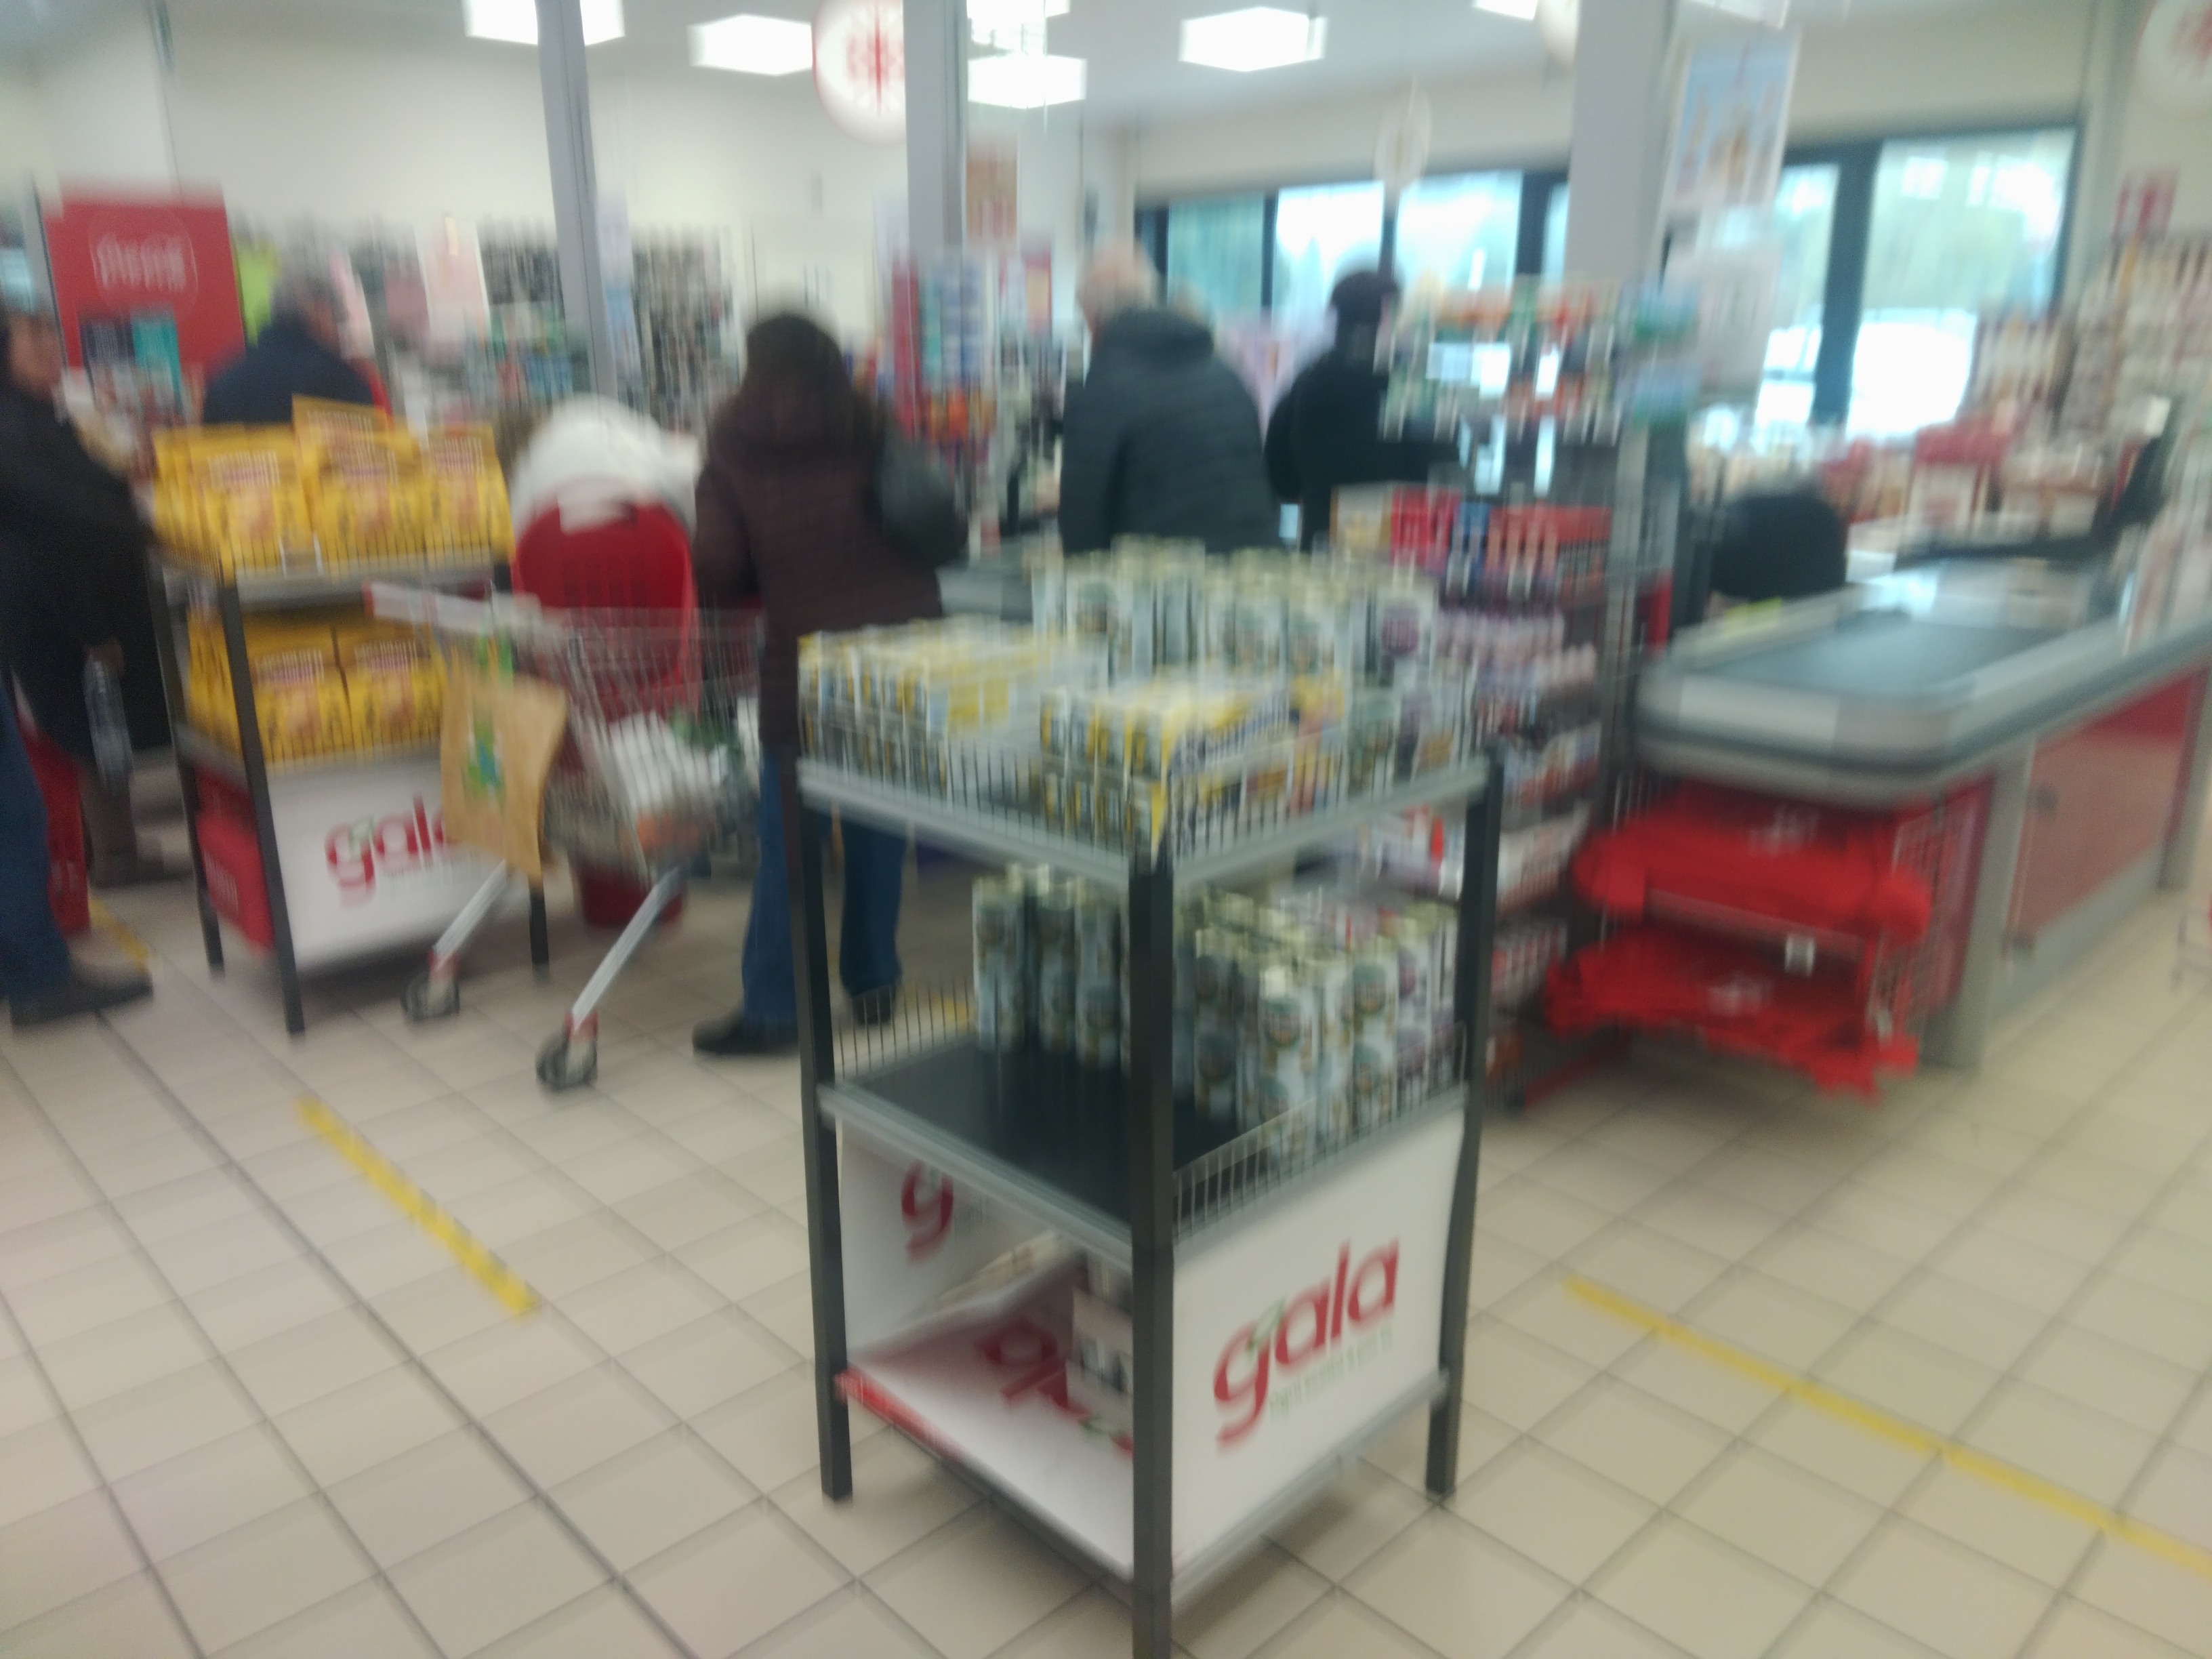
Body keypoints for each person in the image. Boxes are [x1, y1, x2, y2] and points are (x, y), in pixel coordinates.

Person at [689, 313, 943, 1057]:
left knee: (788, 838)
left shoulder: (733, 447)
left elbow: (716, 566)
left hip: (804, 663)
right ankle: (874, 981)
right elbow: (931, 519)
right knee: (877, 821)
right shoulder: (873, 427)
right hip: (895, 657)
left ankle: (775, 1008)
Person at [0, 307, 154, 1027]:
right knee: (18, 812)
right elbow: (63, 517)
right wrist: (149, 524)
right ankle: (38, 977)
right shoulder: (15, 429)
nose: (50, 351)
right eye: (32, 342)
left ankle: (27, 966)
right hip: (45, 622)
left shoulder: (44, 419)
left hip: (42, 618)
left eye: (51, 338)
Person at [1058, 243, 1279, 554]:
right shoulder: (1225, 372)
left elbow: (1082, 519)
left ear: (1093, 318)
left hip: (1162, 574)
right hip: (1252, 566)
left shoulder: (1103, 389)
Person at [1265, 270, 1459, 548]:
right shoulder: (1412, 383)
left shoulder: (1309, 380)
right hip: (1400, 545)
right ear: (1393, 315)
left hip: (1323, 541)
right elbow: (1444, 473)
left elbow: (1280, 475)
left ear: (1336, 316)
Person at [201, 262, 375, 426]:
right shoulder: (340, 383)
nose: (339, 330)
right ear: (320, 310)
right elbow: (365, 445)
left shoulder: (224, 381)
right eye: (337, 317)